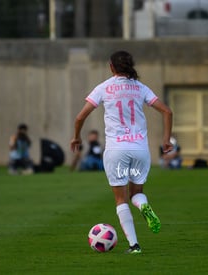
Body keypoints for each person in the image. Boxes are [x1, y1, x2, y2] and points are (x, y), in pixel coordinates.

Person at [70, 50, 173, 254]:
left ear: (111, 67)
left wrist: (77, 137)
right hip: (140, 150)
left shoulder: (104, 88)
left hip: (117, 150)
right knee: (137, 194)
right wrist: (166, 139)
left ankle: (134, 245)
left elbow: (80, 117)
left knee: (120, 199)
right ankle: (144, 206)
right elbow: (167, 111)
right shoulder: (140, 88)